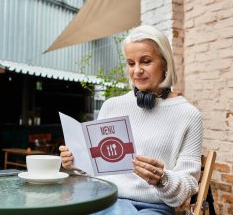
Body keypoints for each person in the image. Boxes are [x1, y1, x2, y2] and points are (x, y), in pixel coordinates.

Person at [59, 25, 203, 215]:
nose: (137, 71)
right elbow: (95, 171)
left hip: (154, 207)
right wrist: (75, 163)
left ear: (165, 63)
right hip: (106, 200)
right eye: (131, 63)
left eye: (146, 61)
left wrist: (163, 179)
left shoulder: (188, 115)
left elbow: (187, 187)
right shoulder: (112, 106)